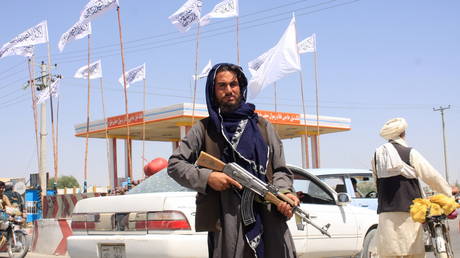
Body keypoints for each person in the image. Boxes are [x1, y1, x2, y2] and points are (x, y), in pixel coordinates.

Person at [168, 63, 299, 258]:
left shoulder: (262, 126)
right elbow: (175, 164)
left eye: (234, 84)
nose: (229, 90)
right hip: (226, 219)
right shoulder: (204, 129)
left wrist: (285, 194)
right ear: (213, 91)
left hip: (269, 217)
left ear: (241, 87)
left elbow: (280, 170)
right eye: (222, 86)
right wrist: (208, 177)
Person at [371, 117, 452, 258]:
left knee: (390, 252)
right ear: (403, 133)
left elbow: (375, 180)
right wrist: (448, 193)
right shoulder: (410, 153)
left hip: (386, 213)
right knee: (411, 252)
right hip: (410, 212)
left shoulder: (377, 155)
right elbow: (431, 176)